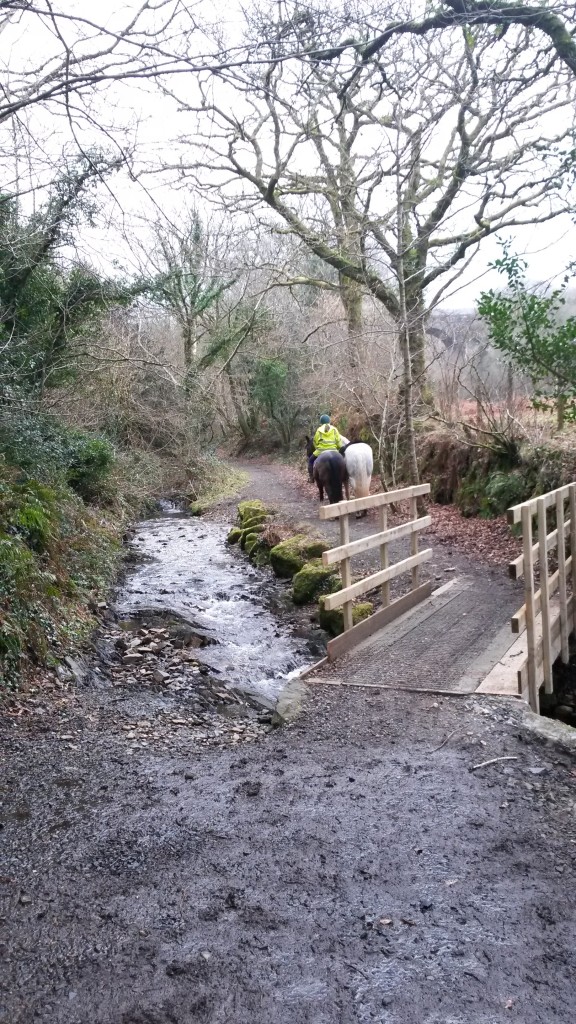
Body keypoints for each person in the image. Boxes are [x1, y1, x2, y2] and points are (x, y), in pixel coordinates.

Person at [308, 414, 343, 478]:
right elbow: (339, 442)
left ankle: (311, 477)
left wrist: (318, 448)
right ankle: (345, 477)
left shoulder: (319, 430)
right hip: (334, 450)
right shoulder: (334, 429)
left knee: (310, 460)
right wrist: (337, 449)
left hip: (320, 451)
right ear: (329, 421)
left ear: (321, 422)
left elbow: (315, 442)